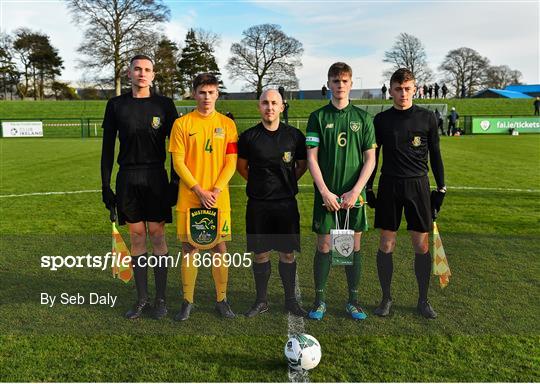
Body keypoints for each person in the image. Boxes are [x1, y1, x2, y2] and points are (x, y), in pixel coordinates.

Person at [101, 54, 179, 320]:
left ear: (153, 75)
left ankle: (161, 300)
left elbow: (177, 148)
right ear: (129, 73)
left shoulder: (165, 105)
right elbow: (107, 149)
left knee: (157, 235)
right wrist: (105, 185)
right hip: (128, 177)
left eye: (147, 70)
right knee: (136, 237)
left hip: (156, 176)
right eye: (137, 69)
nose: (142, 73)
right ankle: (142, 298)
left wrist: (175, 182)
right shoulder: (115, 105)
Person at [365, 68, 446, 319]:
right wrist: (369, 187)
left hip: (418, 186)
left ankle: (423, 300)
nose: (403, 93)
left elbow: (436, 155)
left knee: (420, 244)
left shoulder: (427, 118)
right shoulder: (381, 121)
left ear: (415, 89)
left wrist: (440, 188)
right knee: (386, 242)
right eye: (398, 89)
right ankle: (386, 298)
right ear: (390, 90)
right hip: (389, 184)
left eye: (407, 88)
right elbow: (373, 158)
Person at [305, 62, 377, 320]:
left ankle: (353, 301)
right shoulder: (317, 117)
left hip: (353, 196)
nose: (340, 86)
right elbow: (311, 158)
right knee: (325, 245)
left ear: (351, 84)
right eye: (335, 81)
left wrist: (356, 191)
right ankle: (319, 300)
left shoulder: (363, 118)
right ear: (329, 84)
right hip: (327, 195)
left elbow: (370, 158)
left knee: (350, 246)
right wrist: (324, 192)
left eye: (344, 81)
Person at [169, 73, 238, 321]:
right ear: (194, 93)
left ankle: (222, 299)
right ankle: (187, 300)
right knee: (189, 247)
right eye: (202, 92)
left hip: (218, 199)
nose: (207, 97)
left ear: (217, 93)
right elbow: (177, 162)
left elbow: (231, 163)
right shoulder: (182, 124)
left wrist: (215, 190)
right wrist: (198, 189)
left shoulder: (228, 125)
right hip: (190, 197)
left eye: (211, 92)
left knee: (219, 247)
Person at [237, 89, 308, 318]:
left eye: (274, 103)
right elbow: (241, 167)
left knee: (287, 254)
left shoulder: (295, 136)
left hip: (286, 205)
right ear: (259, 107)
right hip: (258, 205)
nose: (269, 107)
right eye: (265, 103)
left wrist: (285, 184)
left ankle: (290, 301)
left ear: (282, 107)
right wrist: (260, 185)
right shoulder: (249, 137)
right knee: (260, 253)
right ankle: (261, 301)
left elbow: (301, 166)